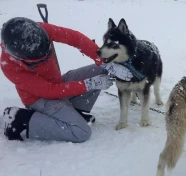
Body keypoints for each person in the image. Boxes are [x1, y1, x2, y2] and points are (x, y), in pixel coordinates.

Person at [0, 17, 134, 143]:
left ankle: (75, 112)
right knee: (81, 132)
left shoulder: (39, 32)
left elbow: (76, 39)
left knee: (101, 69)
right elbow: (49, 91)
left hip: (57, 83)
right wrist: (90, 84)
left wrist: (104, 62)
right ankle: (20, 118)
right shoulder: (9, 66)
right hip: (39, 99)